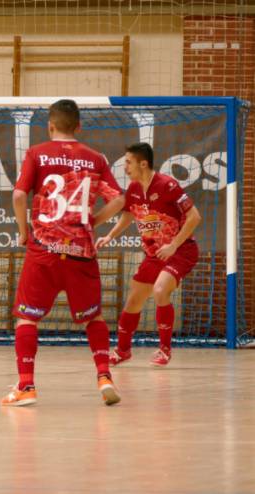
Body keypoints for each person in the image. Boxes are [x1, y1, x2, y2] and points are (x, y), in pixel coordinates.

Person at [2, 99, 125, 407]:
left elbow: (19, 195)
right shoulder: (95, 158)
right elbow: (119, 200)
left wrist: (23, 231)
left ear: (50, 125)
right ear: (78, 126)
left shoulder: (36, 153)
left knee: (27, 319)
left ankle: (26, 386)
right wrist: (93, 221)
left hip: (44, 249)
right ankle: (104, 376)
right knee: (93, 317)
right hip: (81, 251)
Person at [96, 142, 201, 367]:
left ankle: (165, 350)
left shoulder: (167, 185)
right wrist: (110, 236)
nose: (125, 167)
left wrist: (173, 245)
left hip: (181, 250)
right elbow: (128, 216)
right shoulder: (134, 189)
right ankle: (123, 351)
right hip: (155, 254)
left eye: (128, 162)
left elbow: (195, 217)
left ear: (143, 164)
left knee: (160, 289)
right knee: (134, 299)